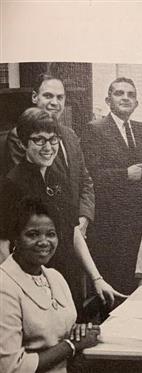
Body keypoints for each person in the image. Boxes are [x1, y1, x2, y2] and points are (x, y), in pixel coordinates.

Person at [0, 108, 124, 315]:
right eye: (39, 140)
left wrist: (97, 279)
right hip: (31, 285)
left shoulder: (59, 179)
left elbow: (72, 231)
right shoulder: (12, 184)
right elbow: (3, 246)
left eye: (53, 139)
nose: (48, 147)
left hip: (65, 279)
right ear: (23, 144)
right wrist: (19, 289)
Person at [0, 196, 100, 373]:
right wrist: (71, 345)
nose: (44, 242)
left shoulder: (55, 277)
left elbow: (65, 329)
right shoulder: (4, 285)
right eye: (32, 234)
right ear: (16, 237)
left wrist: (78, 331)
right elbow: (11, 367)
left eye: (51, 234)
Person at [81, 77, 142, 294]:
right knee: (117, 285)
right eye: (119, 93)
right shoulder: (94, 130)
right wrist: (124, 174)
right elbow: (90, 176)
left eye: (131, 94)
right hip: (111, 225)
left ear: (137, 103)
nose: (126, 98)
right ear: (108, 100)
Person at [2, 74, 95, 261]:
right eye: (48, 96)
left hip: (73, 233)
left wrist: (83, 217)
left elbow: (84, 180)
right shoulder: (19, 137)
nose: (55, 102)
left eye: (60, 97)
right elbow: (32, 188)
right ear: (35, 97)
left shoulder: (70, 135)